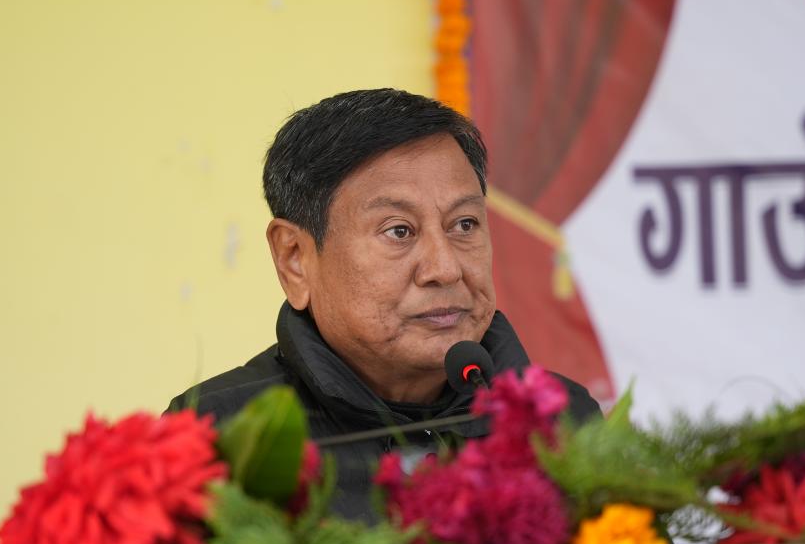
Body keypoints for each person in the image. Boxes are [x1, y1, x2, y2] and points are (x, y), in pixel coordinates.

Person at [168, 88, 601, 518]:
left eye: (464, 224)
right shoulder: (216, 440)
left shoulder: (563, 423)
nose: (445, 268)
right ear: (294, 258)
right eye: (399, 231)